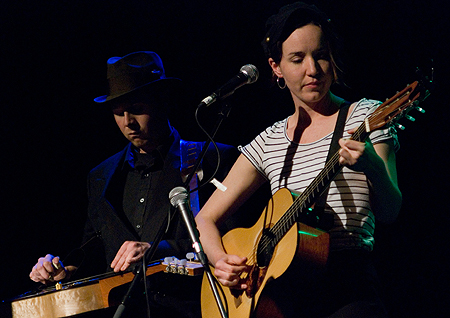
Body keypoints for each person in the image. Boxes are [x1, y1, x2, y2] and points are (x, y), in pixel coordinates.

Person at [195, 2, 401, 317]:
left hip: (350, 289)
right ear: (276, 67)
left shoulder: (366, 116)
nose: (313, 69)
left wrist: (371, 165)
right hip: (282, 294)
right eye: (297, 58)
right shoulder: (269, 140)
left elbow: (390, 211)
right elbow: (205, 219)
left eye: (321, 55)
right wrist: (219, 260)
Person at [28, 51, 239, 318]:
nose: (128, 123)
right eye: (118, 113)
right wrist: (64, 270)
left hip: (194, 307)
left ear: (162, 101)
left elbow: (235, 243)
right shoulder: (101, 176)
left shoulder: (213, 158)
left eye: (137, 109)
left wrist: (158, 251)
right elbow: (93, 250)